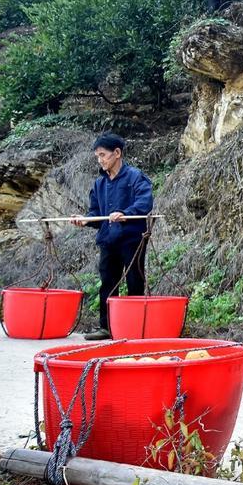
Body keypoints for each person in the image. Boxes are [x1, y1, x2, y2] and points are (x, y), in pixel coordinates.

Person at [71, 133, 154, 341]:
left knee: (135, 280)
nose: (100, 160)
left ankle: (136, 327)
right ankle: (106, 327)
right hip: (108, 240)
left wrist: (125, 214)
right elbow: (96, 214)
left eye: (103, 155)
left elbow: (145, 203)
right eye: (97, 156)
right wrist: (84, 220)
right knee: (108, 282)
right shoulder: (99, 184)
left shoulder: (136, 177)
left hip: (132, 239)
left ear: (117, 153)